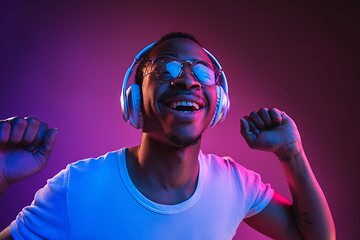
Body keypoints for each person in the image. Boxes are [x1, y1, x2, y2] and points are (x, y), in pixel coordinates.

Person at [0, 32, 335, 239]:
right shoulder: (77, 187)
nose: (187, 81)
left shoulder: (235, 183)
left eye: (201, 72)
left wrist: (291, 153)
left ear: (219, 103)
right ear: (134, 99)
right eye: (165, 69)